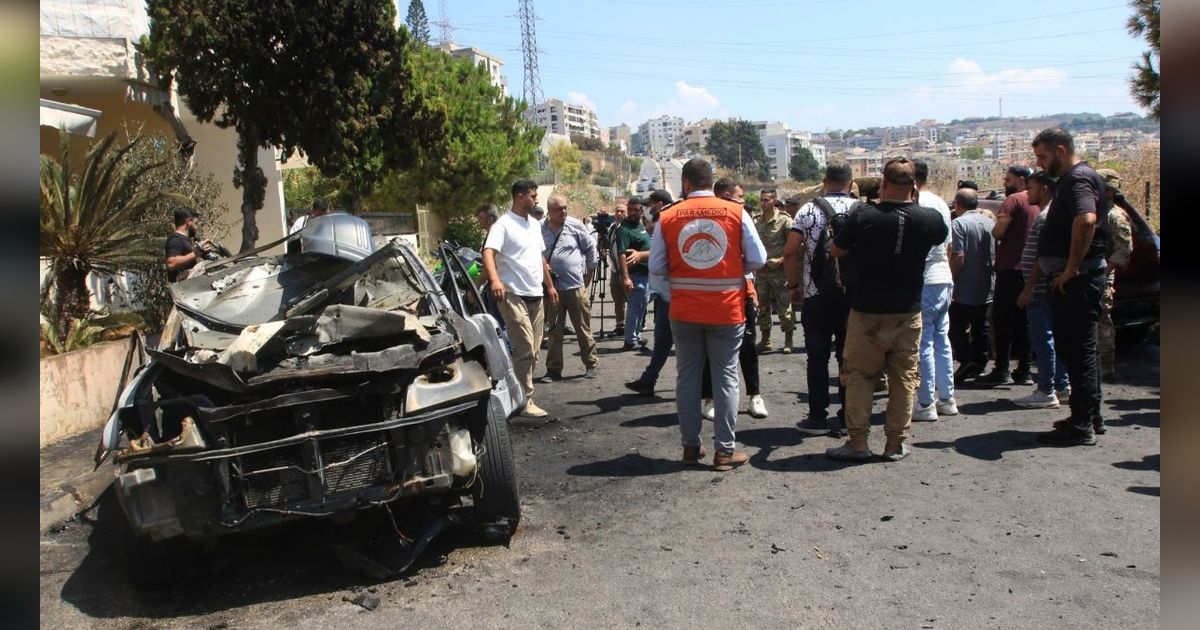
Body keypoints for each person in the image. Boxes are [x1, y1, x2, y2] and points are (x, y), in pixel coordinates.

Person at [825, 157, 947, 462]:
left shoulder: (864, 215)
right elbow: (940, 237)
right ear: (915, 186)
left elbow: (837, 249)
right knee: (904, 379)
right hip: (907, 311)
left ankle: (858, 443)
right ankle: (895, 444)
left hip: (867, 310)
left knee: (860, 376)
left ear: (883, 183)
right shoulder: (930, 219)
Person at [649, 158, 766, 470]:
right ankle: (725, 451)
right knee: (726, 376)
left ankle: (691, 447)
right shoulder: (735, 211)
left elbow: (657, 266)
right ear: (710, 182)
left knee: (687, 377)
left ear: (686, 184)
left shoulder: (669, 215)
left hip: (684, 309)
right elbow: (758, 258)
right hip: (726, 310)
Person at [1032, 127, 1110, 445]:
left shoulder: (1077, 179)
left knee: (1078, 351)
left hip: (1077, 281)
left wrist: (1071, 268)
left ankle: (1082, 425)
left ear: (1061, 151)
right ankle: (1089, 415)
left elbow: (1087, 219)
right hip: (1076, 279)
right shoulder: (1074, 178)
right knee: (1079, 350)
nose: (1039, 164)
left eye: (1043, 157)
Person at [785, 161, 858, 436]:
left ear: (824, 181)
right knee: (847, 358)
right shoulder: (861, 211)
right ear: (850, 183)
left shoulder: (808, 210)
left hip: (816, 293)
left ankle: (817, 416)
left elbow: (791, 251)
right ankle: (847, 416)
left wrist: (794, 285)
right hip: (851, 297)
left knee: (816, 358)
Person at [482, 180, 559, 418]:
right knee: (524, 346)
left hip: (536, 294)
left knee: (534, 351)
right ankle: (524, 399)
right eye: (533, 196)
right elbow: (488, 252)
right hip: (512, 294)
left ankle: (512, 392)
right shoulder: (503, 225)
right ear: (520, 196)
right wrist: (495, 281)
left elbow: (540, 258)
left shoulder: (534, 225)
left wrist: (550, 285)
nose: (536, 200)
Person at [1014, 170, 1071, 409]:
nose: (1028, 193)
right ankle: (1061, 384)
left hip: (1039, 289)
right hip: (1043, 287)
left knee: (1043, 338)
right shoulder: (1051, 214)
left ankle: (1046, 389)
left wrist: (1027, 288)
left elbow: (1042, 258)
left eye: (1032, 187)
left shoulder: (1047, 216)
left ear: (1045, 189)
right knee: (1052, 337)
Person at [978, 166, 1038, 386]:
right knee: (1025, 323)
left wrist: (995, 228)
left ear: (1021, 180)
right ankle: (1024, 370)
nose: (1004, 183)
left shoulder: (1013, 201)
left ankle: (1002, 368)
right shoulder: (1039, 201)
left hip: (1010, 269)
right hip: (1031, 271)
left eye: (1008, 179)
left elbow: (998, 232)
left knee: (1002, 321)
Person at [911, 160, 958, 422]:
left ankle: (926, 402)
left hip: (926, 278)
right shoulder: (941, 203)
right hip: (943, 277)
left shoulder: (918, 204)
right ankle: (947, 399)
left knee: (924, 342)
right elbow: (948, 247)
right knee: (942, 340)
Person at [540, 195, 599, 381]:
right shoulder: (539, 229)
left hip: (575, 287)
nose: (563, 212)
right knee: (554, 331)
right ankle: (553, 370)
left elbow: (590, 250)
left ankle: (591, 363)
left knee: (583, 328)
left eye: (565, 208)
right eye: (559, 209)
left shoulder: (575, 225)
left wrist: (587, 278)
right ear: (549, 211)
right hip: (552, 290)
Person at [949, 188, 996, 384]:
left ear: (958, 205)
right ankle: (979, 361)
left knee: (956, 326)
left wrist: (951, 277)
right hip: (985, 282)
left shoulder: (959, 223)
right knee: (981, 325)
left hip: (963, 284)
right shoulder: (989, 222)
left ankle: (966, 359)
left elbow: (958, 255)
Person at [1095, 168, 1134, 382]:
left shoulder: (1115, 216)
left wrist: (1105, 270)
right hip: (1093, 273)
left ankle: (1105, 367)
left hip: (1102, 275)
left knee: (1102, 321)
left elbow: (1124, 249)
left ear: (1109, 192)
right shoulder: (1099, 212)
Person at [753, 188, 796, 353]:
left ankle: (788, 340)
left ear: (774, 200)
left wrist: (782, 260)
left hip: (780, 271)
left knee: (784, 306)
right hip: (762, 271)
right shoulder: (756, 221)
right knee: (763, 307)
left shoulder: (785, 221)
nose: (763, 203)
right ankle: (765, 339)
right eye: (761, 200)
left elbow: (794, 245)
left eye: (766, 200)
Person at [614, 197, 652, 351]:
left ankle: (637, 334)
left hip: (645, 274)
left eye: (637, 210)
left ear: (641, 210)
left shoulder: (641, 226)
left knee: (642, 306)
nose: (633, 213)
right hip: (635, 275)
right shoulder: (624, 229)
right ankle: (630, 340)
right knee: (635, 307)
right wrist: (626, 278)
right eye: (630, 210)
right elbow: (621, 254)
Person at [165, 207, 213, 282]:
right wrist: (196, 253)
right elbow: (171, 263)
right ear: (188, 221)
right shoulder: (176, 239)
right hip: (182, 289)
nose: (196, 228)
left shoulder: (187, 241)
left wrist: (203, 253)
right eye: (196, 223)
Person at [606, 201, 629, 337]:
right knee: (617, 299)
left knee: (632, 299)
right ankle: (620, 324)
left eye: (622, 211)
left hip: (628, 270)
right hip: (615, 270)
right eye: (617, 211)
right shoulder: (612, 228)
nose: (619, 214)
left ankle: (634, 326)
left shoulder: (630, 228)